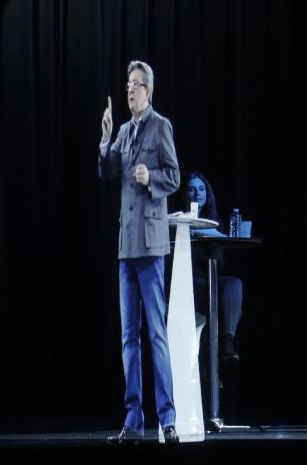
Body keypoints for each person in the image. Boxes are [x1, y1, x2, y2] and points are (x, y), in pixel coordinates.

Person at [99, 60, 181, 445]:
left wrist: (153, 178)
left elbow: (175, 176)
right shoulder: (126, 132)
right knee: (128, 336)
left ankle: (168, 419)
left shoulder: (160, 127)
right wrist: (105, 139)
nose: (129, 90)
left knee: (156, 335)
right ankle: (133, 421)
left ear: (149, 91)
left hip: (151, 246)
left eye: (135, 85)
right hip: (125, 248)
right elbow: (108, 171)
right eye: (127, 84)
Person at [181, 171, 244, 364]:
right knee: (211, 301)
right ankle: (208, 368)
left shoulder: (215, 223)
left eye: (201, 189)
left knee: (233, 284)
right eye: (192, 189)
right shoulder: (177, 221)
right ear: (185, 195)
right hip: (186, 284)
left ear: (207, 194)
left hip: (210, 280)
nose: (197, 193)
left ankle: (227, 341)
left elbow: (219, 263)